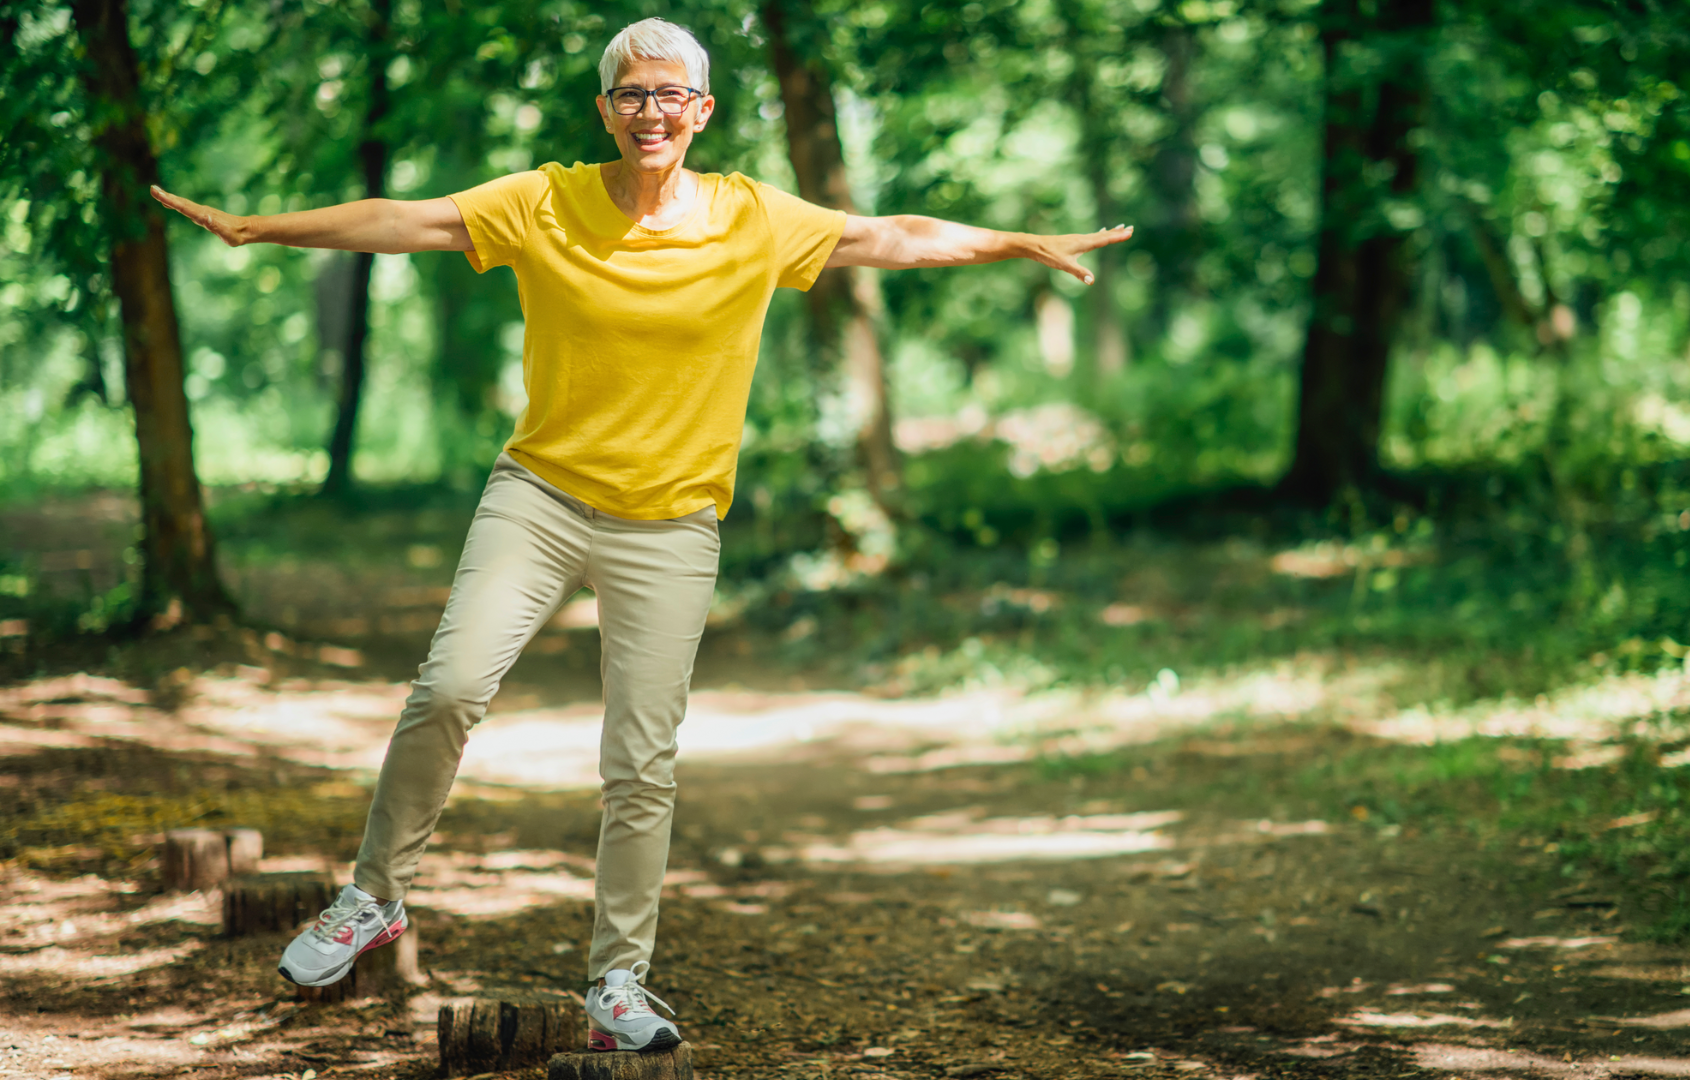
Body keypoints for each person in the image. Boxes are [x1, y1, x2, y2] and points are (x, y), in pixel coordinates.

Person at [152, 16, 1131, 1055]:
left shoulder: (754, 217)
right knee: (448, 690)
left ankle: (617, 977)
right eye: (631, 94)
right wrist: (262, 228)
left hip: (670, 523)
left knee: (640, 761)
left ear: (701, 112)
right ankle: (375, 898)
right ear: (605, 110)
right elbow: (409, 219)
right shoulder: (545, 200)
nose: (650, 111)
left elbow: (886, 235)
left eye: (671, 95)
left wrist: (1020, 243)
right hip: (541, 494)